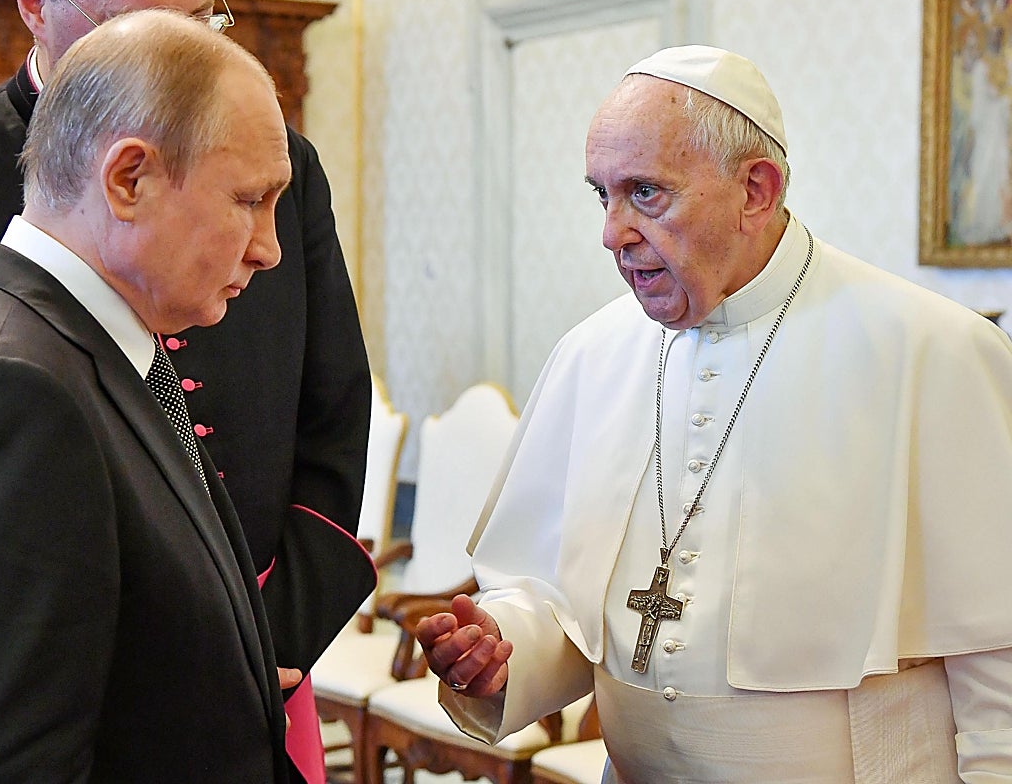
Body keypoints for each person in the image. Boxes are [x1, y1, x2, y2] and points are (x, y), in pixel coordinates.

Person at [0, 0, 371, 779]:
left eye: (196, 24)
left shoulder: (242, 165)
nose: (266, 249)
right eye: (246, 205)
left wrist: (252, 645)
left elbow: (330, 416)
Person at [417, 45, 1012, 782]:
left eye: (645, 193)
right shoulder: (591, 353)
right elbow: (563, 603)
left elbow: (999, 654)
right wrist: (502, 648)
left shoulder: (932, 350)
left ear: (756, 190)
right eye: (601, 195)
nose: (613, 232)